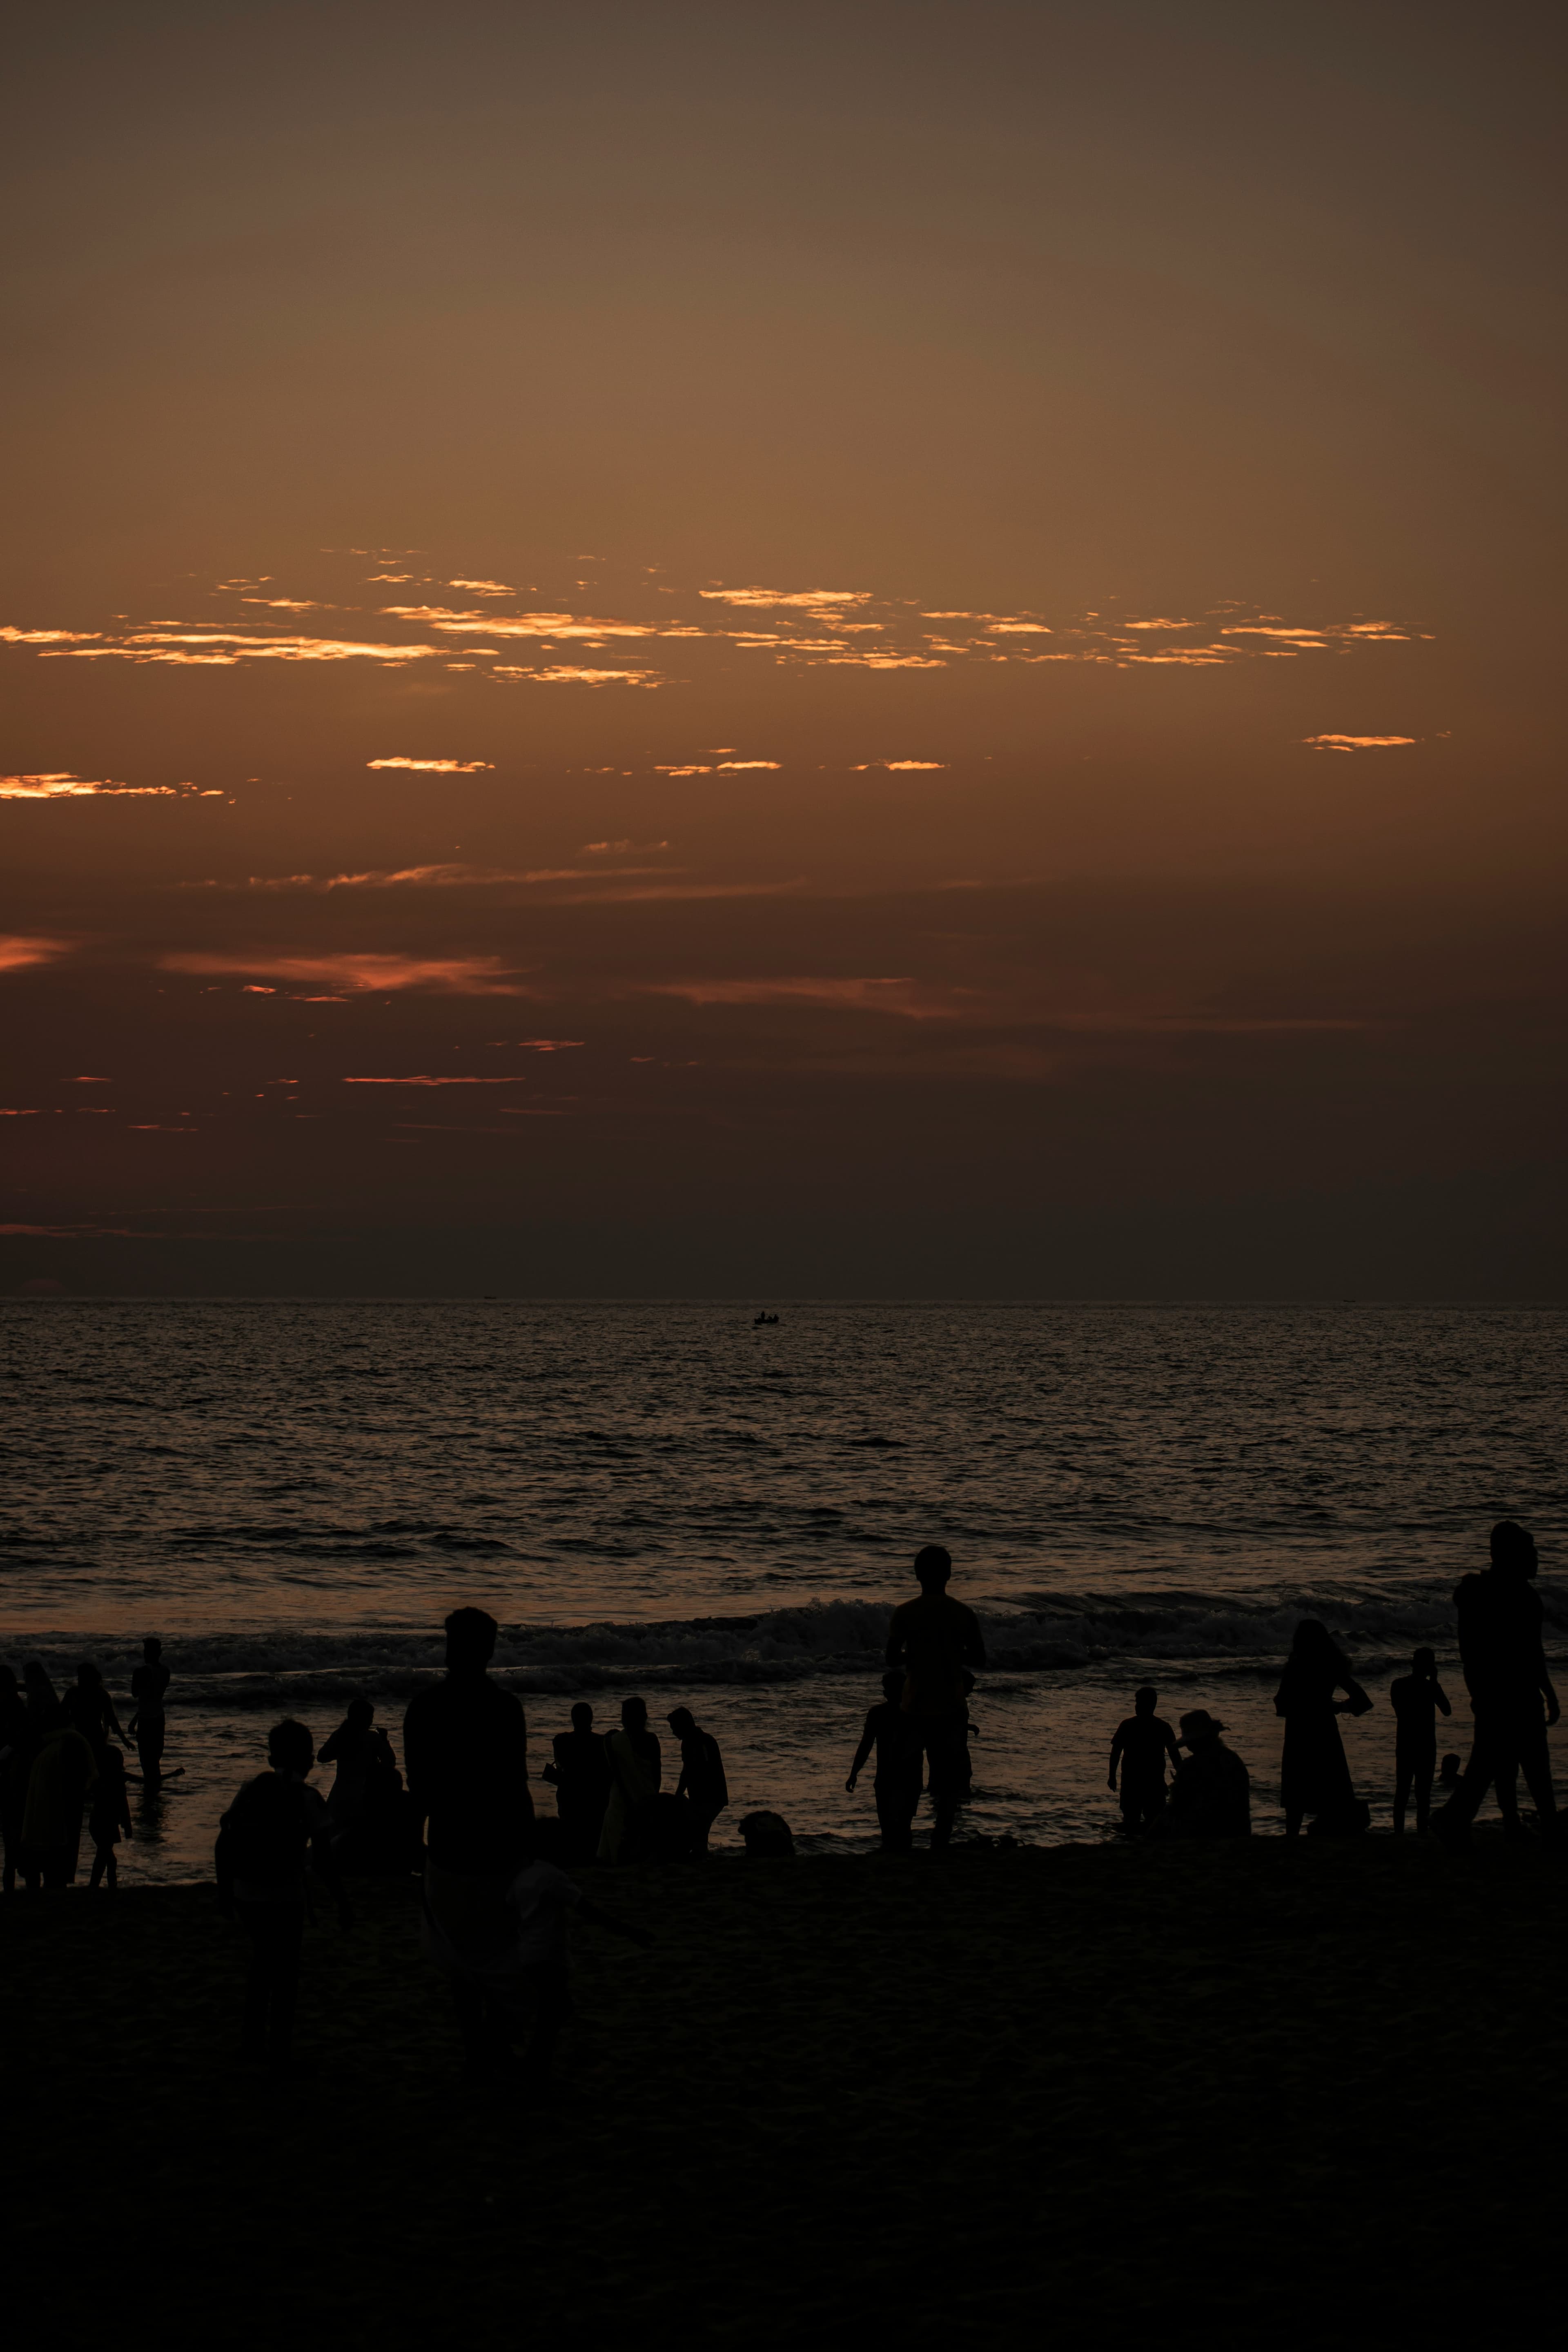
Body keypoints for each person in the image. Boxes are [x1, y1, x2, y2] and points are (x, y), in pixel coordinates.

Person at [421, 1839, 655, 2089]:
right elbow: (587, 1910)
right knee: (555, 2005)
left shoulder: (522, 1879)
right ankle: (530, 2061)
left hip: (527, 1951)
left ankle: (505, 2054)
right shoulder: (553, 1877)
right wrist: (630, 1932)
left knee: (533, 2001)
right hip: (550, 1954)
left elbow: (509, 1906)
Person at [216, 1719, 350, 2070]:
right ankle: (279, 2050)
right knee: (285, 1974)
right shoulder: (308, 1798)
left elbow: (224, 1840)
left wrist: (224, 1892)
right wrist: (341, 1901)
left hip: (246, 1892)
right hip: (286, 1896)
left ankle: (251, 2044)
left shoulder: (250, 1790)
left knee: (261, 1965)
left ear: (272, 1756)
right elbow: (322, 1861)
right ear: (308, 1759)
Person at [1436, 1521, 1560, 1847]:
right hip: (1513, 1693)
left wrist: (1479, 1691)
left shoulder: (1480, 1594)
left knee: (1496, 1762)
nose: (1537, 1559)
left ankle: (1492, 1822)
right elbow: (1531, 1652)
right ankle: (1543, 1826)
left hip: (1493, 1691)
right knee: (1529, 1763)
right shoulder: (1518, 1597)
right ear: (1513, 1556)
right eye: (1531, 1553)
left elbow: (1472, 1652)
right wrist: (1547, 1692)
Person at [885, 1545, 987, 1850]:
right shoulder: (963, 1613)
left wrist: (915, 1653)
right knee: (947, 1779)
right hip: (952, 1705)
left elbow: (891, 1658)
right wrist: (953, 1653)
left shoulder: (904, 1613)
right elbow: (980, 1658)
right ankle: (940, 1839)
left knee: (908, 1776)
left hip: (913, 1705)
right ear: (949, 1574)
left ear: (917, 1575)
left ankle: (903, 1835)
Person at [1274, 1620, 1372, 1836]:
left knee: (1297, 1791)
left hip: (1299, 1732)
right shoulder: (1331, 1664)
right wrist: (1338, 1707)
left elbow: (1282, 1703)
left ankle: (1293, 1839)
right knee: (1330, 1787)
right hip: (1325, 1730)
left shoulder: (1296, 1664)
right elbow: (1363, 1701)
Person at [847, 1670, 925, 1853]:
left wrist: (854, 1773)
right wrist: (854, 1773)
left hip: (897, 1777)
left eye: (888, 1689)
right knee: (901, 1825)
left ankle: (895, 1858)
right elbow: (866, 1745)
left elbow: (866, 1744)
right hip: (901, 1776)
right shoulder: (916, 1712)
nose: (885, 1692)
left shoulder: (882, 1713)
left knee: (895, 1825)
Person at [21, 1708, 98, 1888]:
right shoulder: (71, 1743)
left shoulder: (46, 1747)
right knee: (59, 1859)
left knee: (45, 1859)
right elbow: (76, 1780)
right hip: (63, 1810)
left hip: (44, 1812)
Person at [1389, 1648, 1452, 1836]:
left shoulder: (1398, 1685)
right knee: (1423, 1795)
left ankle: (1399, 1833)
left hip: (1406, 1744)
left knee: (1403, 1792)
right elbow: (1447, 1710)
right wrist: (1434, 1683)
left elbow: (1400, 1712)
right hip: (1425, 1746)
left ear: (1413, 1664)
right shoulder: (1430, 1688)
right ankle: (1421, 1832)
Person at [543, 1703, 612, 1862]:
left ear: (573, 1719)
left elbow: (560, 1765)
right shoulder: (602, 1742)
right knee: (592, 1836)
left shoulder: (560, 1740)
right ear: (591, 1719)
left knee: (570, 1833)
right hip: (594, 1798)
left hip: (569, 1796)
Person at [1164, 1711, 1251, 1838]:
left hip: (1202, 1835)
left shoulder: (1191, 1766)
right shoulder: (1234, 1760)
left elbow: (1175, 1808)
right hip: (1238, 1833)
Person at [1107, 1686, 1182, 1833]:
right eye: (1136, 1702)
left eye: (1139, 1702)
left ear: (1151, 1705)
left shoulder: (1161, 1727)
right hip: (1134, 1781)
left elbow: (1175, 1755)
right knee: (1134, 1819)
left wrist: (1183, 1776)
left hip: (1151, 1783)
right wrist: (1112, 1776)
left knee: (1150, 1820)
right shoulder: (1129, 1725)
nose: (1136, 1706)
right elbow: (1115, 1753)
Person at [598, 1697, 661, 1864]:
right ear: (645, 1717)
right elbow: (657, 1775)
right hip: (647, 1799)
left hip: (620, 1801)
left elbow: (611, 1776)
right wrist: (653, 1797)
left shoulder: (613, 1742)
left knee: (617, 1851)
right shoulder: (652, 1740)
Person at [669, 1706, 729, 1855]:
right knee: (701, 1829)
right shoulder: (701, 1740)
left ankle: (700, 1854)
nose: (673, 1732)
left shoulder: (695, 1742)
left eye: (674, 1728)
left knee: (700, 1828)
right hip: (711, 1796)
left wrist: (678, 1794)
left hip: (709, 1796)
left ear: (683, 1725)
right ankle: (701, 1853)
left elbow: (690, 1770)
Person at [87, 1744, 134, 1888]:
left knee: (103, 1858)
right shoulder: (108, 1781)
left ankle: (97, 1886)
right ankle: (109, 1886)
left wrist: (127, 1825)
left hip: (104, 1824)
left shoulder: (102, 1780)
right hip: (104, 1824)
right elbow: (124, 1803)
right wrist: (127, 1826)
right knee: (108, 1859)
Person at [0, 1663, 29, 1894]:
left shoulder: (13, 1704)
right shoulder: (15, 1703)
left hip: (10, 1772)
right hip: (12, 1771)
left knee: (11, 1832)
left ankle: (10, 1883)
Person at [129, 1638, 171, 1792]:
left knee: (146, 1761)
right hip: (159, 1718)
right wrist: (134, 1720)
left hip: (146, 1721)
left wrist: (135, 1721)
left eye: (147, 1651)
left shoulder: (141, 1672)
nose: (145, 1654)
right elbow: (153, 1698)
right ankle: (155, 1790)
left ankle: (151, 1792)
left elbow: (136, 1694)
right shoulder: (166, 1671)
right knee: (155, 1759)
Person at [64, 1662, 127, 1750]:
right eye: (79, 1677)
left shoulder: (101, 1695)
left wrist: (124, 1740)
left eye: (81, 1677)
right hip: (78, 1737)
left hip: (95, 1738)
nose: (79, 1679)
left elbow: (112, 1719)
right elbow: (62, 1714)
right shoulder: (72, 1693)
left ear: (89, 1678)